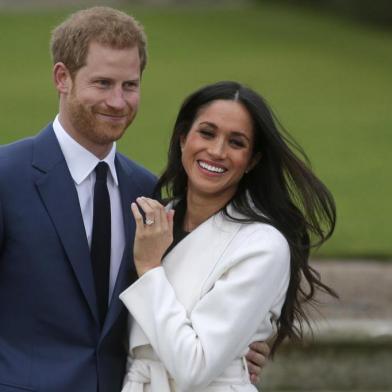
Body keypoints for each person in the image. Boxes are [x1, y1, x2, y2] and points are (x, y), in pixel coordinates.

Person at [0, 8, 266, 392]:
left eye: (130, 85)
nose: (118, 101)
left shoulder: (148, 191)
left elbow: (174, 299)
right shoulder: (7, 176)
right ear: (63, 78)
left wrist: (242, 345)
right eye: (103, 83)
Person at [119, 81, 337, 391]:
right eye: (207, 133)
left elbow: (194, 367)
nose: (217, 151)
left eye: (236, 143)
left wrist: (151, 268)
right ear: (183, 138)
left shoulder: (262, 245)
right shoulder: (153, 221)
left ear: (252, 160)